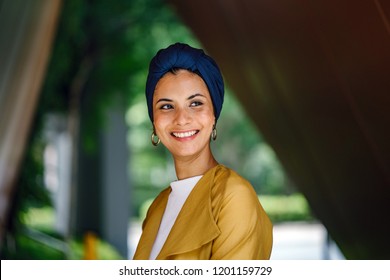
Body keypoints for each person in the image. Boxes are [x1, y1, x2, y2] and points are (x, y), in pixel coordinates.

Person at [133, 42, 273, 260]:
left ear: (214, 115)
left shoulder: (233, 197)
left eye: (196, 103)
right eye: (167, 106)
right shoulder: (157, 208)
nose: (181, 119)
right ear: (154, 121)